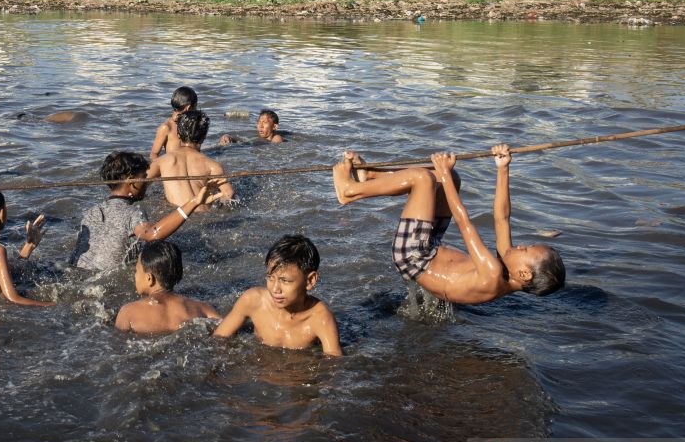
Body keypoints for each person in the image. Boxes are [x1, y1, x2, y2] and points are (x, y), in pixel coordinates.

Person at [331, 145, 565, 306]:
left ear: (524, 274)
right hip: (430, 247)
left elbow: (465, 224)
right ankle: (370, 175)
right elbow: (502, 217)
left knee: (422, 178)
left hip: (414, 257)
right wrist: (503, 169)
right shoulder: (507, 264)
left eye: (525, 250)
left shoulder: (493, 275)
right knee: (451, 180)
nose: (521, 245)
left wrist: (442, 169)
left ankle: (349, 192)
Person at [70, 151, 224, 273]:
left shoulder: (91, 212)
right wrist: (194, 202)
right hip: (104, 279)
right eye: (144, 177)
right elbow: (152, 234)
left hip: (78, 272)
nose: (147, 183)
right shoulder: (132, 212)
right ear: (131, 180)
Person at [213, 234, 342, 355]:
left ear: (310, 281)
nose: (275, 289)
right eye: (270, 278)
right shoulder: (253, 301)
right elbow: (217, 340)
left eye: (285, 281)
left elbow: (333, 367)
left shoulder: (321, 320)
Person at [115, 240, 220, 335]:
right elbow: (225, 327)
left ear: (149, 278)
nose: (135, 275)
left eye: (136, 271)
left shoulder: (128, 312)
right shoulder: (203, 308)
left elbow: (118, 344)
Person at [148, 110, 233, 212]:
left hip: (177, 215)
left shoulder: (162, 161)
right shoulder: (213, 165)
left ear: (178, 135)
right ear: (204, 137)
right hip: (204, 214)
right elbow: (229, 194)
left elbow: (141, 183)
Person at [150, 86, 198, 160]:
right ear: (188, 108)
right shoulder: (166, 127)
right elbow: (154, 154)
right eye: (195, 107)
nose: (196, 110)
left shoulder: (193, 124)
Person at [219, 109, 285, 146]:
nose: (260, 126)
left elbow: (274, 148)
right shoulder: (257, 138)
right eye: (259, 122)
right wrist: (228, 137)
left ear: (274, 126)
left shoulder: (277, 137)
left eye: (265, 122)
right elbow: (243, 140)